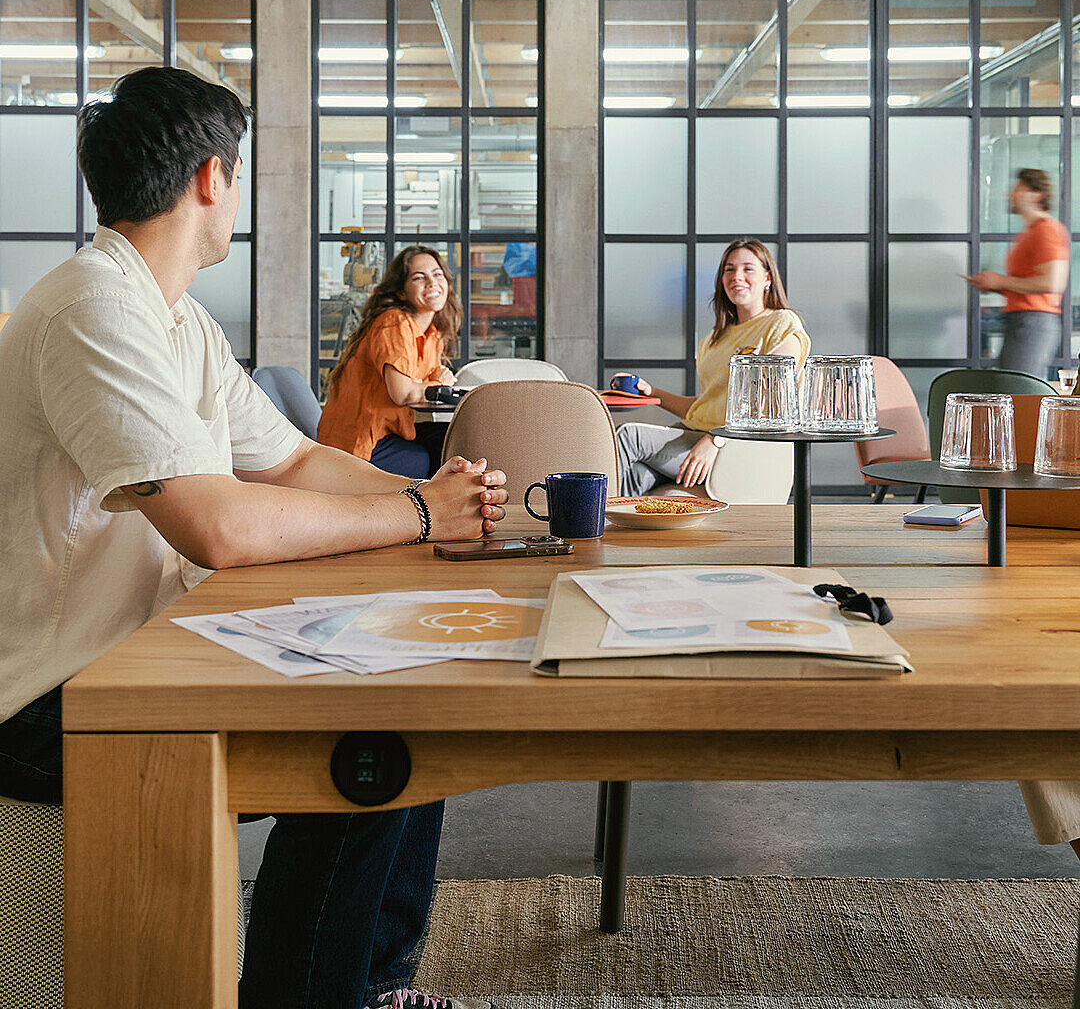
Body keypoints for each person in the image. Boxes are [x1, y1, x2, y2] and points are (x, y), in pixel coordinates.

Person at [0, 66, 506, 1009]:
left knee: (415, 690)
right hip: (47, 698)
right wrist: (421, 514)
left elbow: (290, 463)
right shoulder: (92, 310)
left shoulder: (174, 318)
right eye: (238, 176)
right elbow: (219, 526)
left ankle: (373, 986)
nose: (237, 195)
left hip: (141, 656)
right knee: (375, 737)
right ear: (208, 178)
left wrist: (446, 496)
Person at [614, 238, 810, 497]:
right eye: (729, 269)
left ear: (768, 278)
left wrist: (716, 439)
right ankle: (619, 535)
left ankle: (588, 525)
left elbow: (768, 403)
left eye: (748, 268)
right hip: (695, 434)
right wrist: (650, 392)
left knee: (629, 436)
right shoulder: (713, 339)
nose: (736, 276)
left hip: (736, 446)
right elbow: (704, 408)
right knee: (637, 474)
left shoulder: (781, 323)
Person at [318, 246, 461, 477]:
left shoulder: (432, 334)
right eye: (418, 277)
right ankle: (432, 510)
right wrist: (436, 386)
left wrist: (429, 384)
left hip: (387, 432)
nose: (432, 282)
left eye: (437, 274)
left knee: (453, 439)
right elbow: (403, 393)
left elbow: (422, 384)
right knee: (433, 457)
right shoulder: (395, 323)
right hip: (358, 446)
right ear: (402, 292)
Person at [962, 168, 1070, 379]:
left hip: (1032, 323)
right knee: (1012, 390)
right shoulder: (1030, 233)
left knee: (1019, 393)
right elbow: (1027, 285)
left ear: (1037, 195)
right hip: (1022, 321)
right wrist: (997, 285)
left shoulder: (1046, 230)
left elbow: (1053, 282)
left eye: (1017, 189)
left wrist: (1001, 280)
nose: (1010, 195)